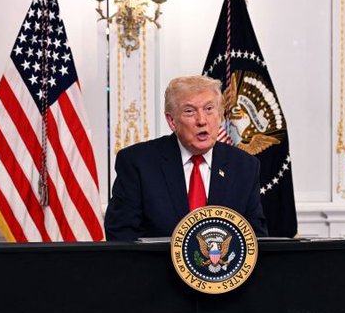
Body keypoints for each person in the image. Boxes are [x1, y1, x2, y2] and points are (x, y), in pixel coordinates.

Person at [104, 75, 268, 241]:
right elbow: (122, 238)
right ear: (172, 121)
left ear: (220, 115)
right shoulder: (138, 163)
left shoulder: (244, 166)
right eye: (190, 111)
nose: (202, 120)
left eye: (209, 109)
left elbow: (255, 239)